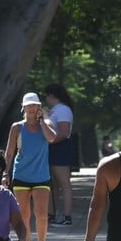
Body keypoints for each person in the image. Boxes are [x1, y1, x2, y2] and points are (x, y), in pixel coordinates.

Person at [4, 92, 57, 241]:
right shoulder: (17, 127)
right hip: (21, 176)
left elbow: (52, 138)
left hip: (41, 176)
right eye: (29, 105)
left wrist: (42, 121)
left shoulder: (46, 124)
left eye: (35, 105)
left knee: (41, 213)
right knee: (24, 214)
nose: (32, 108)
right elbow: (10, 152)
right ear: (24, 107)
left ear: (39, 107)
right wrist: (5, 173)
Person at [43, 83, 75, 226]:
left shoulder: (63, 110)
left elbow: (64, 132)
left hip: (60, 148)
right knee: (52, 185)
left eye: (46, 96)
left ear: (52, 96)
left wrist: (50, 142)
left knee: (64, 184)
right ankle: (52, 214)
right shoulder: (54, 110)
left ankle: (67, 216)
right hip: (53, 149)